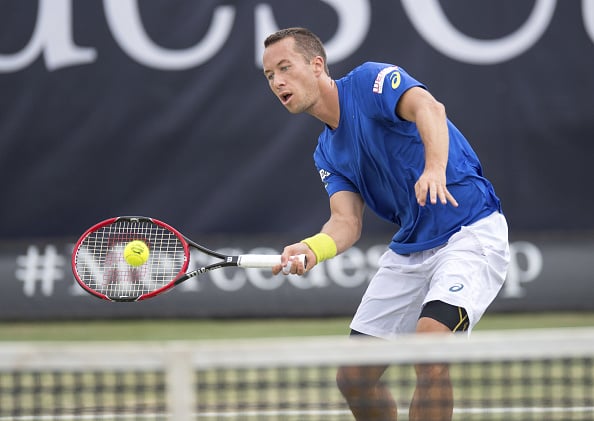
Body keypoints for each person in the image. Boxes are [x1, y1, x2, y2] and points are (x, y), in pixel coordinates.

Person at [262, 27, 510, 421]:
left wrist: (434, 168)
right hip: (410, 250)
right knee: (354, 378)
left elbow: (431, 109)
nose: (277, 81)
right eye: (269, 75)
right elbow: (346, 222)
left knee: (429, 353)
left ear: (316, 65)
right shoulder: (326, 152)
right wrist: (312, 248)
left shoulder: (368, 82)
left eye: (284, 68)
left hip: (470, 230)